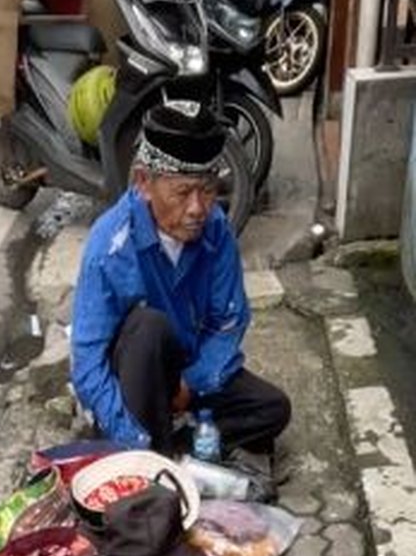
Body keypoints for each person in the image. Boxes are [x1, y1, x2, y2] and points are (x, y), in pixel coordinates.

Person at [71, 103, 291, 481]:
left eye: (208, 190)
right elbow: (88, 361)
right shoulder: (110, 247)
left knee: (272, 408)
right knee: (148, 326)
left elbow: (229, 320)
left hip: (186, 376)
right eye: (183, 192)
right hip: (135, 378)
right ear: (143, 182)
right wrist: (132, 436)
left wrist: (194, 381)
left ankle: (174, 446)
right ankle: (147, 448)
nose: (197, 209)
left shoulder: (216, 230)